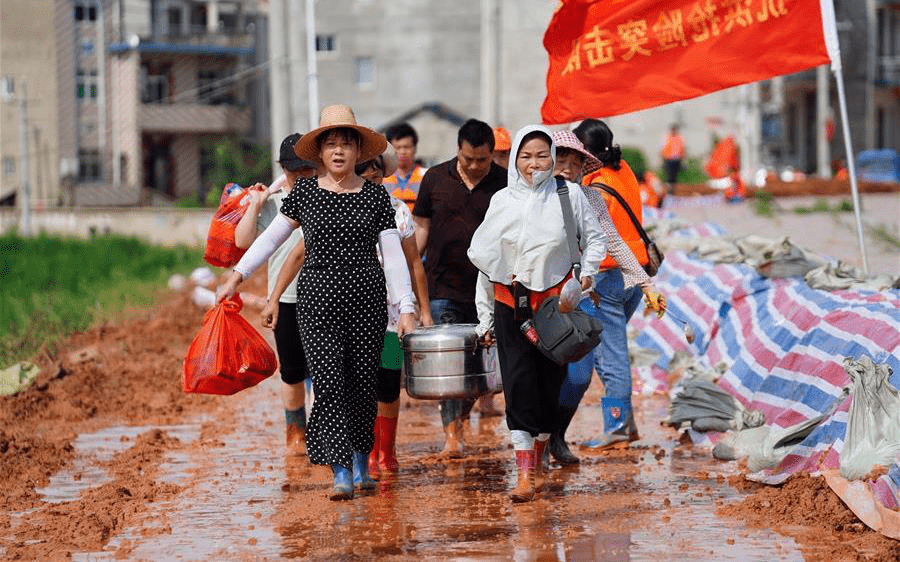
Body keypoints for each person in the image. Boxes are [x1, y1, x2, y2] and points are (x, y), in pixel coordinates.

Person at [217, 105, 417, 501]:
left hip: (367, 301)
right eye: (331, 144)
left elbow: (394, 257)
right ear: (320, 152)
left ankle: (362, 461)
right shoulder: (305, 194)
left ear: (360, 152)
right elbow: (272, 239)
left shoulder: (376, 197)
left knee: (363, 383)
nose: (339, 151)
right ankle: (339, 469)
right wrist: (238, 275)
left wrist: (407, 307)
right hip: (317, 303)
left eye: (347, 143)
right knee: (328, 384)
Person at [467, 125, 608, 502]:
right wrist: (485, 318)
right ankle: (525, 474)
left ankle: (540, 454)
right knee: (517, 385)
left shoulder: (571, 196)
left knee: (549, 385)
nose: (534, 164)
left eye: (542, 155)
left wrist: (586, 276)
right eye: (526, 156)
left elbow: (595, 239)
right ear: (515, 160)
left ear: (552, 157)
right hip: (510, 305)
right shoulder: (501, 201)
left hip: (554, 308)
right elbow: (486, 263)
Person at [548, 129, 665, 465]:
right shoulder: (532, 200)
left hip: (592, 289)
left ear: (585, 164)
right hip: (549, 296)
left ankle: (560, 435)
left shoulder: (590, 197)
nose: (568, 169)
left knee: (584, 370)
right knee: (550, 371)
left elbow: (612, 241)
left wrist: (647, 285)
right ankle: (538, 441)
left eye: (575, 162)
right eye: (561, 161)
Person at [412, 118, 506, 457]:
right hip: (441, 288)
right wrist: (408, 277)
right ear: (458, 150)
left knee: (477, 366)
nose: (476, 166)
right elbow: (420, 231)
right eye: (469, 159)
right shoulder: (434, 179)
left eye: (483, 159)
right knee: (449, 366)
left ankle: (462, 418)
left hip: (489, 292)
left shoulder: (505, 183)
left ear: (492, 155)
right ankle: (452, 436)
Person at [233, 133, 318, 456]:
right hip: (283, 299)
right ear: (284, 169)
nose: (300, 177)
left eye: (306, 170)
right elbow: (244, 242)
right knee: (292, 371)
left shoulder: (323, 197)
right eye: (294, 171)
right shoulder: (273, 204)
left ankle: (323, 433)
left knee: (323, 369)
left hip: (319, 296)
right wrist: (256, 204)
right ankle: (295, 432)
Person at [384, 122, 428, 212]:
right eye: (398, 147)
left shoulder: (428, 176)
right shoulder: (381, 178)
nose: (402, 152)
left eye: (406, 147)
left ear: (415, 149)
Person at [661, 124, 685, 193]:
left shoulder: (679, 138)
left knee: (675, 177)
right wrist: (664, 158)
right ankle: (670, 190)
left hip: (677, 159)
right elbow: (663, 148)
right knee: (669, 176)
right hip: (669, 159)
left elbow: (682, 149)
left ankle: (674, 190)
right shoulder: (667, 137)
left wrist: (682, 158)